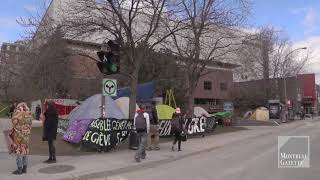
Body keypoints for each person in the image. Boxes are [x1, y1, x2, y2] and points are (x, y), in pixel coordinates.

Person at [9, 103, 33, 175]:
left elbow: (14, 123)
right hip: (26, 136)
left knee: (19, 151)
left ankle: (19, 169)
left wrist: (15, 116)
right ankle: (24, 168)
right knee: (25, 151)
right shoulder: (29, 114)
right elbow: (30, 124)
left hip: (18, 137)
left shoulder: (17, 113)